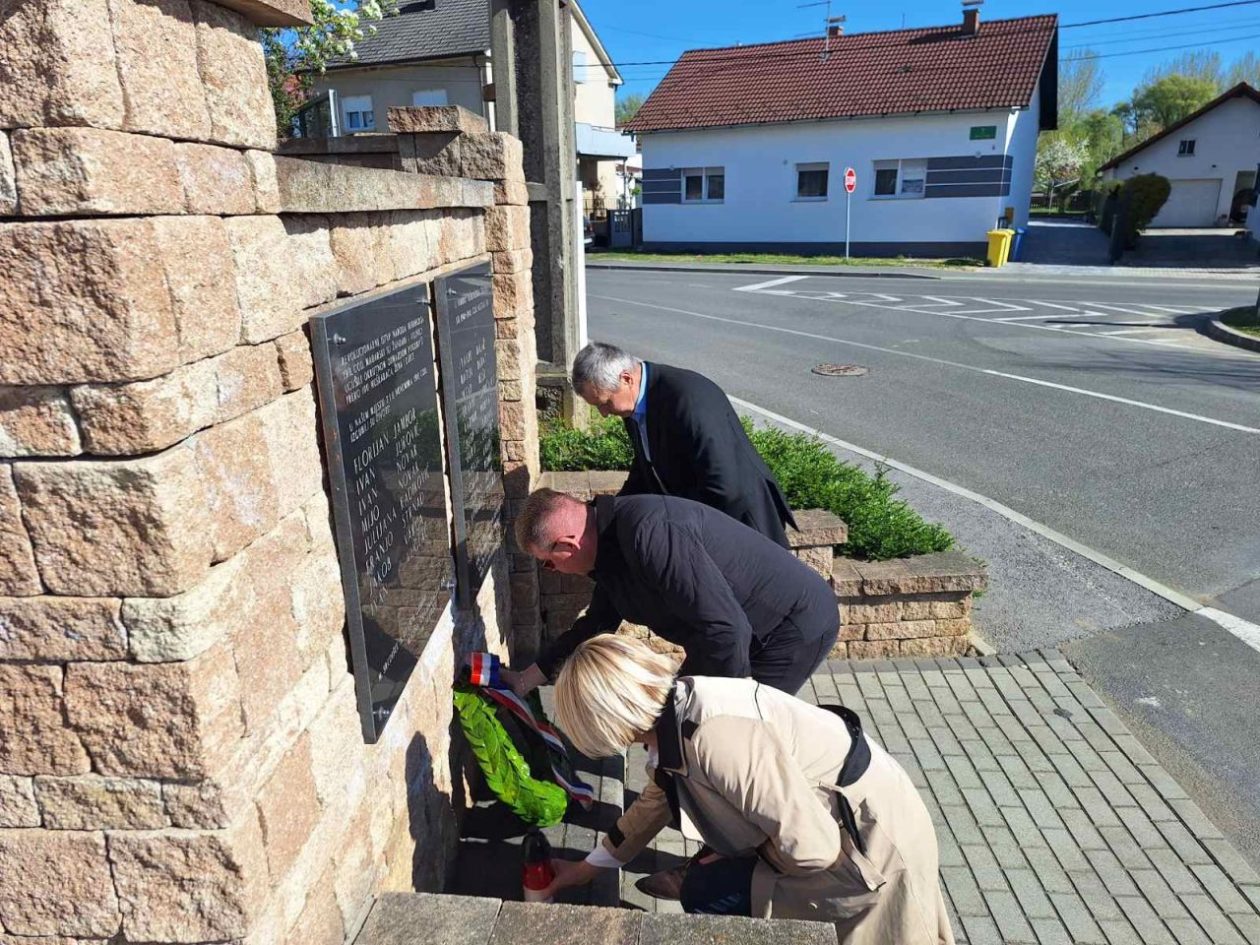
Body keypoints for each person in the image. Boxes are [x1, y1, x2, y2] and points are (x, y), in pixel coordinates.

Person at [543, 635, 955, 945]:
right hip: (842, 827)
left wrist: (731, 855)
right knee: (709, 878)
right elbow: (653, 805)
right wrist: (581, 871)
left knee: (706, 890)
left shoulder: (714, 736)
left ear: (615, 719)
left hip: (870, 849)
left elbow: (814, 849)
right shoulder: (677, 708)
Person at [499, 488, 839, 700]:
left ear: (567, 545)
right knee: (683, 738)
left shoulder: (650, 535)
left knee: (746, 734)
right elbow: (594, 625)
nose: (553, 572)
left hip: (790, 628)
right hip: (737, 631)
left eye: (548, 564)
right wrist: (525, 680)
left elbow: (725, 631)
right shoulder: (609, 548)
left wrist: (695, 712)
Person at [571, 342, 797, 548]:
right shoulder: (635, 402)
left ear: (627, 379)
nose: (603, 413)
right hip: (708, 519)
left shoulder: (688, 400)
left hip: (743, 525)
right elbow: (646, 467)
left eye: (605, 403)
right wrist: (603, 513)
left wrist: (669, 520)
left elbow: (723, 486)